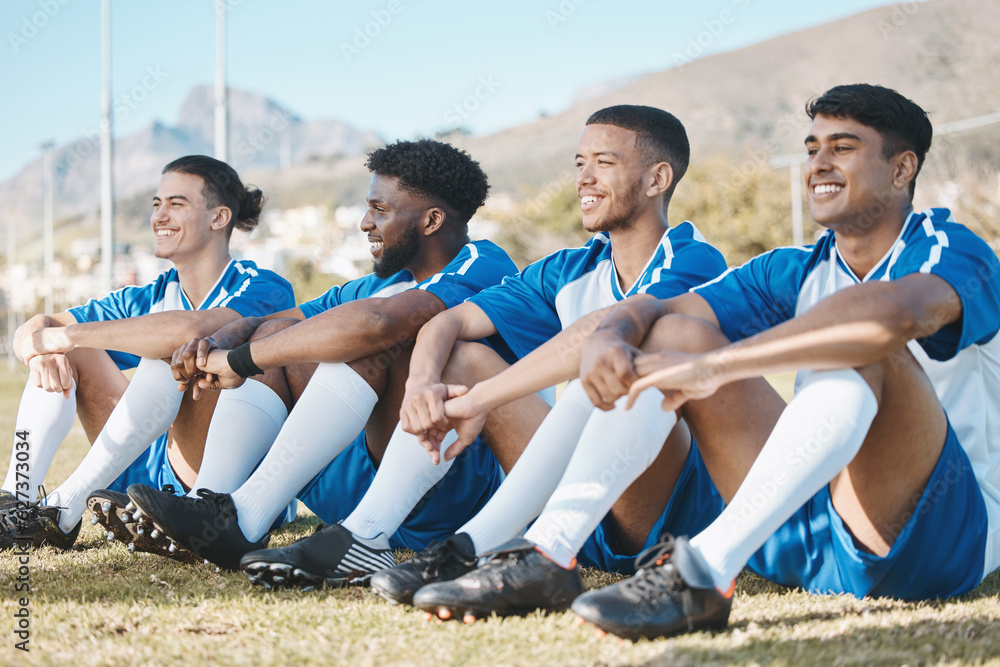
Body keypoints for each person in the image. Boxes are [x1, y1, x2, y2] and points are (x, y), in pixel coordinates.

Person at [439, 83, 1000, 640]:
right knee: (675, 332)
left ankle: (703, 570)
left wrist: (721, 365)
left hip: (928, 539)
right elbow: (659, 309)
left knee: (862, 346)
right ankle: (549, 551)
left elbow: (883, 321)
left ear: (902, 169)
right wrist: (613, 336)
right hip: (800, 538)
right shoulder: (794, 266)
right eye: (811, 149)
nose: (818, 164)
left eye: (843, 147)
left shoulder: (952, 249)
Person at [235, 104, 730, 600]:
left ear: (656, 179)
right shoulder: (568, 267)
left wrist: (477, 402)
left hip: (653, 512)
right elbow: (449, 321)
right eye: (579, 162)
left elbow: (603, 332)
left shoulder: (693, 259)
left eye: (604, 162)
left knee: (622, 370)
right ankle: (365, 534)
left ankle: (475, 544)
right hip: (563, 495)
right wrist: (424, 381)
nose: (584, 178)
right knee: (461, 356)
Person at [121, 139, 521, 572]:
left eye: (380, 210)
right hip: (355, 486)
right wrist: (226, 338)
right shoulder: (371, 285)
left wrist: (240, 361)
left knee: (371, 343)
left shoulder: (483, 263)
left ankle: (247, 517)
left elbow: (381, 323)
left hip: (441, 491)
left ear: (432, 220)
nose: (366, 223)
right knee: (280, 333)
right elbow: (281, 319)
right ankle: (217, 512)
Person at [0, 156, 294, 551]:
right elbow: (34, 328)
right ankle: (15, 502)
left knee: (180, 350)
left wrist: (63, 335)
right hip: (145, 469)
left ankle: (64, 508)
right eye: (156, 204)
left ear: (219, 217)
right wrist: (42, 349)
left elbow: (190, 330)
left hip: (217, 480)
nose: (160, 216)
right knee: (66, 350)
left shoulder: (264, 286)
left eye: (176, 203)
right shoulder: (149, 294)